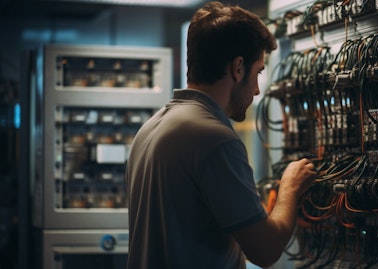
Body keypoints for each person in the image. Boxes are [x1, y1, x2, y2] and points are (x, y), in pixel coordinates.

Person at [125, 2, 317, 268]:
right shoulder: (214, 139)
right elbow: (265, 251)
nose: (258, 90)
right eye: (259, 71)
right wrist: (290, 188)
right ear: (238, 68)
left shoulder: (151, 128)